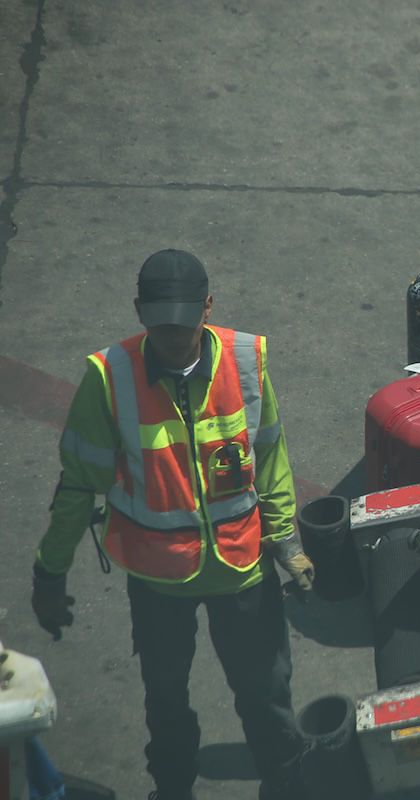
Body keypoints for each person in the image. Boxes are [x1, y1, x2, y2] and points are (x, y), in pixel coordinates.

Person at [30, 249, 316, 800]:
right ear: (139, 312)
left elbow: (272, 457)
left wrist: (286, 542)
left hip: (242, 574)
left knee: (266, 698)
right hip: (160, 584)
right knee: (165, 702)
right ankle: (173, 790)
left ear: (207, 307)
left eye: (183, 323)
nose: (172, 336)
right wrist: (50, 572)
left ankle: (287, 787)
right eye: (159, 323)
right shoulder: (108, 379)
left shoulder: (245, 362)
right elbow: (75, 488)